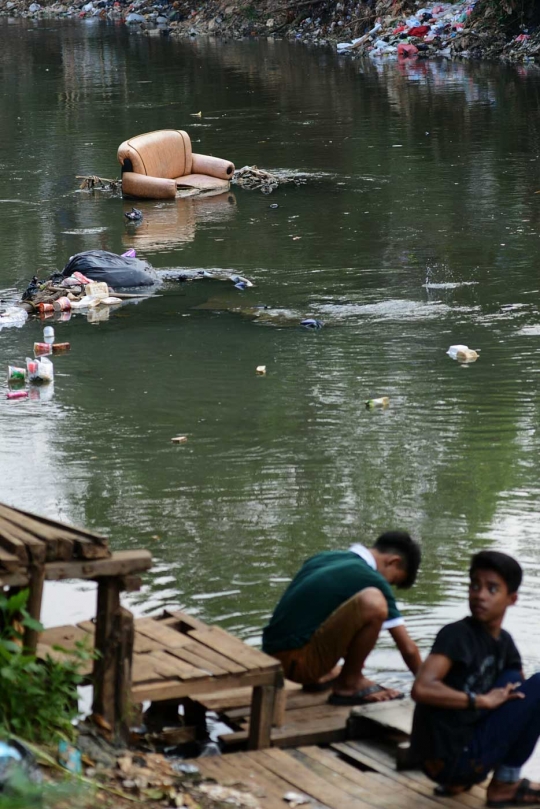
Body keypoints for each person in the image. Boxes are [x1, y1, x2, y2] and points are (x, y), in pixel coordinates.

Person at [411, 550, 540, 807]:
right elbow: (422, 689)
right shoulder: (456, 635)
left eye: (492, 589)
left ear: (511, 599)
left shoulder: (505, 644)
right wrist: (480, 701)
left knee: (515, 679)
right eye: (475, 586)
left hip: (464, 756)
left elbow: (521, 704)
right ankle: (503, 784)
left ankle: (479, 779)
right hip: (447, 760)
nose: (480, 595)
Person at [262, 531, 422, 705]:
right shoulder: (371, 579)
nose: (388, 585)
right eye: (393, 580)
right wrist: (426, 685)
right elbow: (408, 649)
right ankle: (350, 684)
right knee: (373, 602)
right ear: (393, 562)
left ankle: (328, 673)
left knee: (347, 605)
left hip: (273, 654)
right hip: (297, 664)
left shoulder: (327, 558)